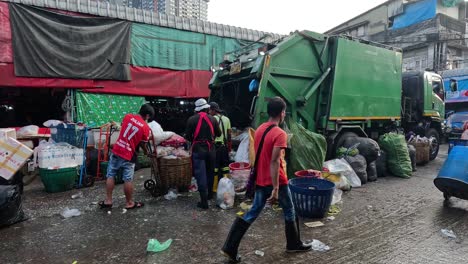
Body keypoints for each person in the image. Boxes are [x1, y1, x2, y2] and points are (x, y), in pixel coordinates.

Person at [221, 97, 311, 263]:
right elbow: (275, 161)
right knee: (290, 210)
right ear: (282, 113)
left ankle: (230, 247)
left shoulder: (260, 129)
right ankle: (293, 244)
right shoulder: (280, 134)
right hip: (277, 180)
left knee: (254, 211)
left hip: (261, 179)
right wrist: (276, 188)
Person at [99, 104, 154, 210]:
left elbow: (125, 130)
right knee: (127, 179)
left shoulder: (127, 117)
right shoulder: (145, 127)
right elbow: (143, 144)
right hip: (129, 154)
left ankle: (108, 201)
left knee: (110, 175)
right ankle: (129, 203)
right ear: (147, 115)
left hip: (117, 149)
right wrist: (147, 152)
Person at [185, 98, 221, 209]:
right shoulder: (213, 119)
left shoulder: (191, 120)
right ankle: (210, 195)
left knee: (201, 175)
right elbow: (218, 134)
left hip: (198, 150)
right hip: (211, 150)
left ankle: (204, 201)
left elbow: (188, 137)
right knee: (210, 173)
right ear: (207, 108)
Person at [208, 102, 232, 195]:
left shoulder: (212, 119)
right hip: (224, 147)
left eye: (210, 110)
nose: (209, 112)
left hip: (215, 147)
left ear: (213, 110)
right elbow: (229, 134)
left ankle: (214, 188)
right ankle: (227, 187)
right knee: (225, 167)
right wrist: (229, 147)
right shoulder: (227, 119)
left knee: (215, 168)